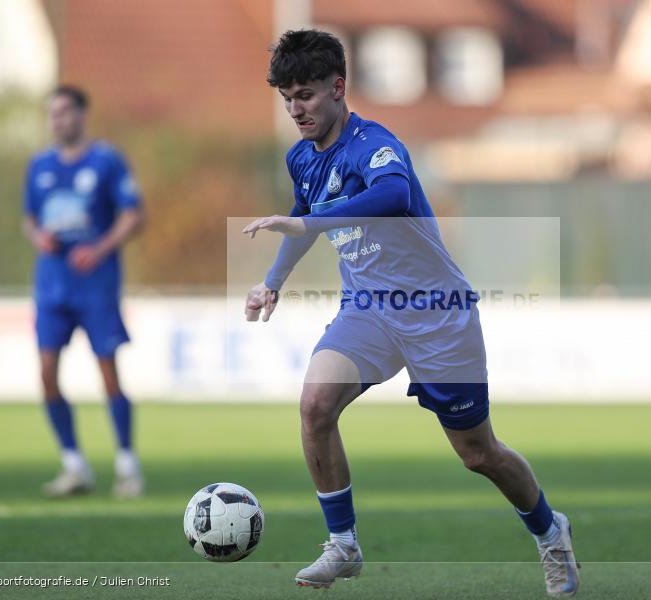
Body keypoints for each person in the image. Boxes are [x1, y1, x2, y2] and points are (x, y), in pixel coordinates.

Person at [243, 30, 579, 597]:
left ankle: (551, 533)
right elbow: (304, 214)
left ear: (338, 87)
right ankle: (343, 546)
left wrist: (309, 224)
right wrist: (272, 281)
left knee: (480, 455)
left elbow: (393, 196)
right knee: (315, 404)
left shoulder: (375, 145)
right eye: (287, 98)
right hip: (369, 312)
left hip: (435, 316)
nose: (296, 108)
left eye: (305, 94)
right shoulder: (301, 157)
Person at [23, 85, 145, 498]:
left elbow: (133, 216)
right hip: (52, 287)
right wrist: (39, 236)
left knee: (108, 373)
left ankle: (127, 464)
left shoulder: (106, 161)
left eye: (64, 112)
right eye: (51, 113)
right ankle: (74, 465)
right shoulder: (39, 166)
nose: (58, 120)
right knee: (46, 373)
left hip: (95, 286)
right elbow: (29, 220)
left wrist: (99, 248)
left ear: (81, 115)